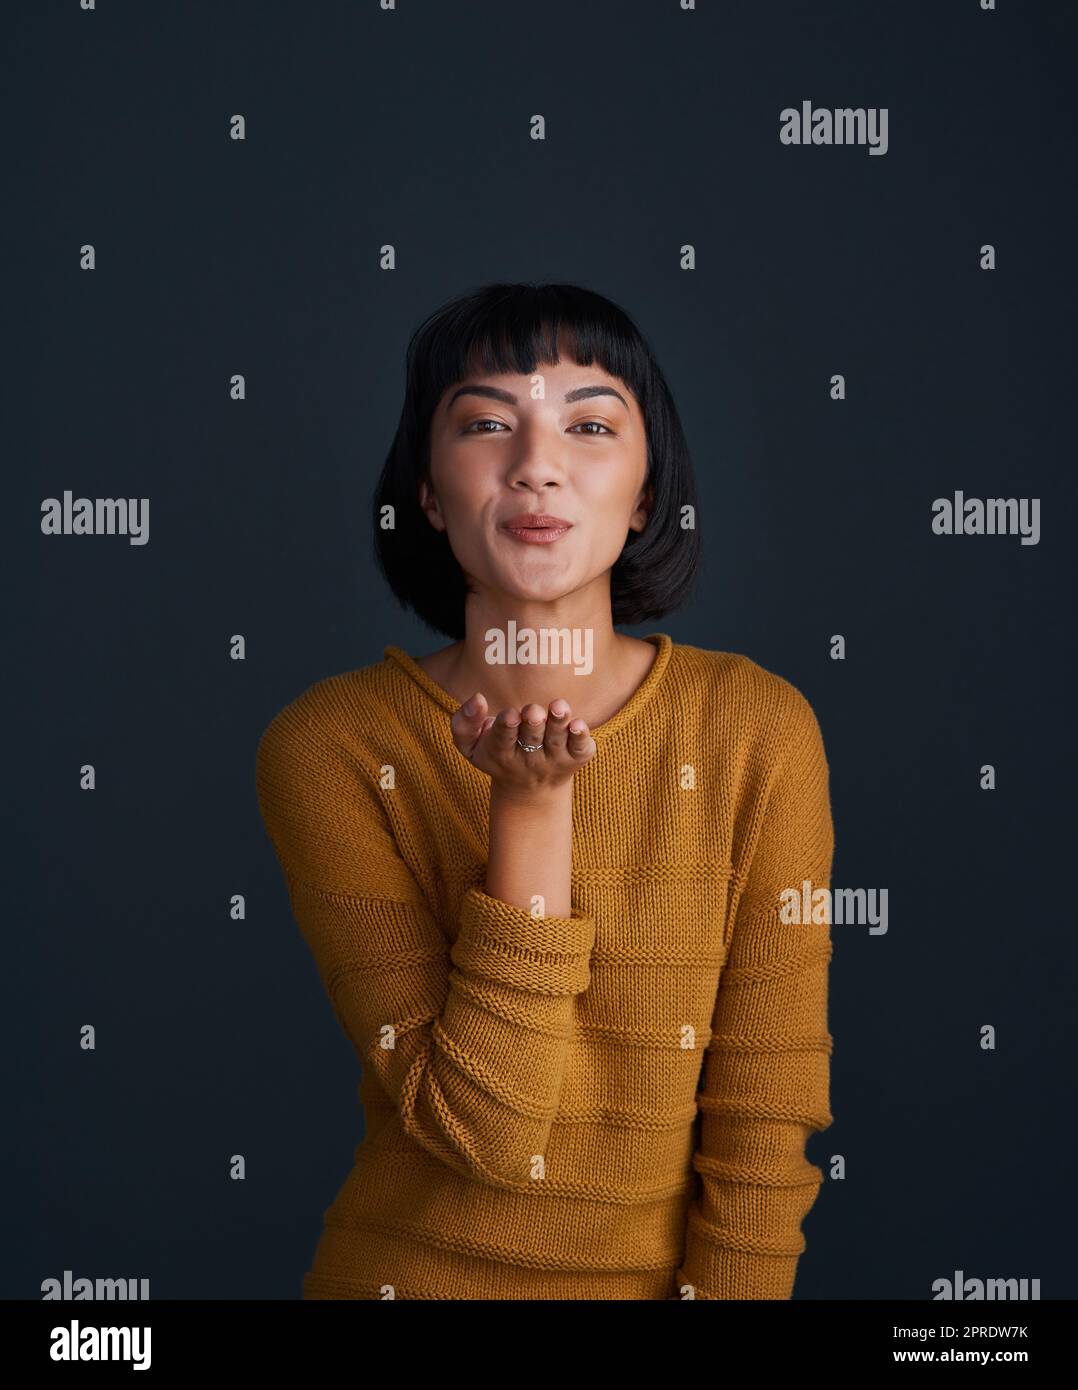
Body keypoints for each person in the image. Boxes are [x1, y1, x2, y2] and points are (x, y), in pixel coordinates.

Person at [254, 281, 835, 1300]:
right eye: (485, 423)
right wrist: (528, 809)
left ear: (648, 490)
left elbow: (763, 1123)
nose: (536, 466)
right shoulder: (331, 745)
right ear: (428, 491)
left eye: (589, 424)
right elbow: (481, 1128)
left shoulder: (756, 731)